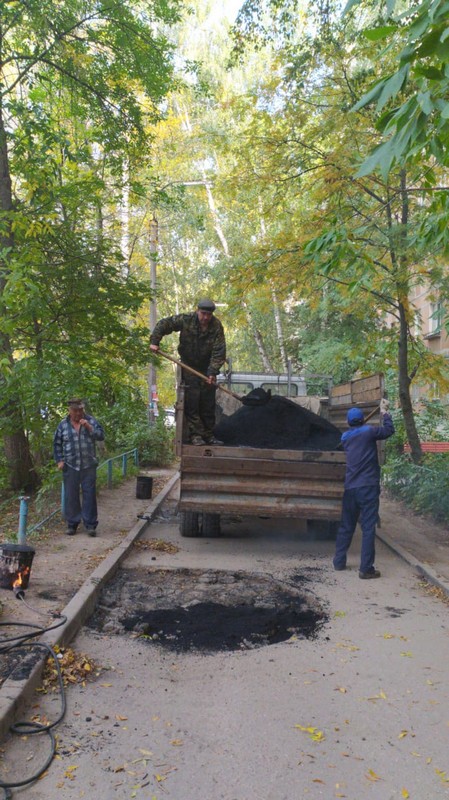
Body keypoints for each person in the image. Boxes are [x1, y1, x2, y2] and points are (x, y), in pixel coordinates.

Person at [333, 398, 395, 579]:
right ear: (362, 420)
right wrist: (384, 412)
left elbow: (353, 435)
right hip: (367, 487)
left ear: (348, 422)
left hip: (351, 487)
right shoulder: (369, 431)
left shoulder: (345, 438)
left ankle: (339, 562)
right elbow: (389, 431)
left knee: (346, 526)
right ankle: (366, 569)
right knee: (368, 528)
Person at [150, 299, 226, 445]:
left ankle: (209, 435)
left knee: (208, 403)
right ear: (197, 311)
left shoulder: (216, 326)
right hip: (188, 366)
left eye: (208, 315)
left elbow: (219, 351)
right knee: (192, 401)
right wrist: (155, 341)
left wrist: (212, 372)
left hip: (207, 368)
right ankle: (196, 435)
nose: (205, 318)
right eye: (203, 314)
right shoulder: (186, 320)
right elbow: (165, 324)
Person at [53, 399, 105, 537]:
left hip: (88, 466)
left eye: (80, 410)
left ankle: (90, 525)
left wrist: (88, 427)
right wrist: (59, 461)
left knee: (89, 495)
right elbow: (57, 444)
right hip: (70, 466)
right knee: (71, 496)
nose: (78, 413)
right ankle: (72, 524)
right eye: (75, 411)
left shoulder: (91, 421)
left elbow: (101, 436)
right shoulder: (63, 425)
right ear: (70, 411)